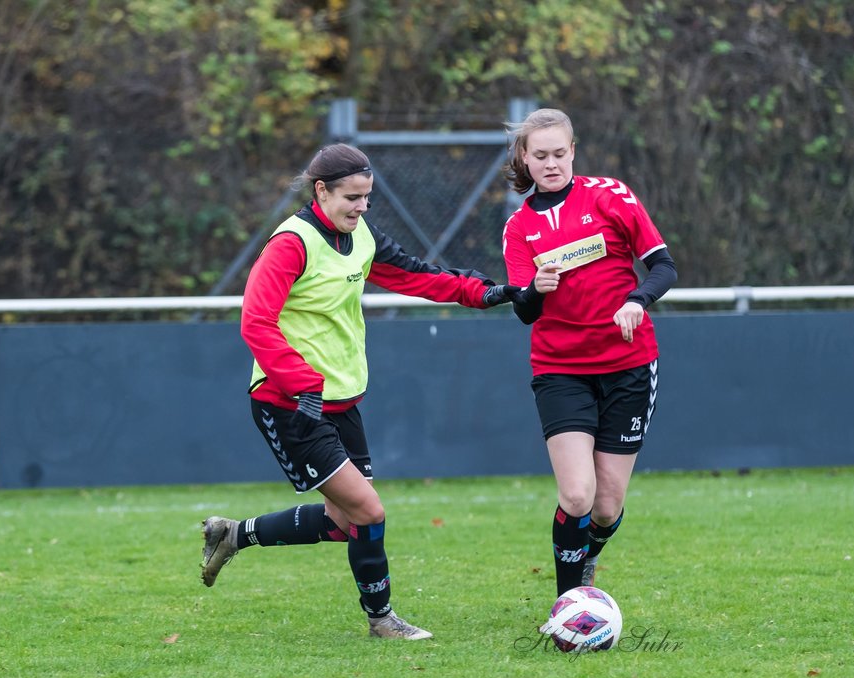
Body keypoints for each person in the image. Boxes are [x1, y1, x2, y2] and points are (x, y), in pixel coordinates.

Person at [199, 143, 518, 640]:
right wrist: (302, 385)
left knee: (344, 523)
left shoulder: (360, 235)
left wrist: (485, 292)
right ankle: (382, 620)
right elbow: (255, 322)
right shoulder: (291, 244)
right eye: (352, 197)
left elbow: (417, 274)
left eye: (367, 198)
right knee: (369, 511)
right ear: (321, 190)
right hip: (289, 404)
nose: (361, 207)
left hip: (341, 401)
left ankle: (235, 535)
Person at [499, 108, 677, 605]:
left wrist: (636, 302)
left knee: (603, 507)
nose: (551, 163)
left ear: (573, 150)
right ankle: (568, 605)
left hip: (629, 365)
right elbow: (525, 312)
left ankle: (589, 551)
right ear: (525, 158)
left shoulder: (610, 195)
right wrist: (534, 288)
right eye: (540, 156)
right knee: (576, 495)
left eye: (560, 153)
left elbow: (664, 267)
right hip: (561, 370)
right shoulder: (519, 227)